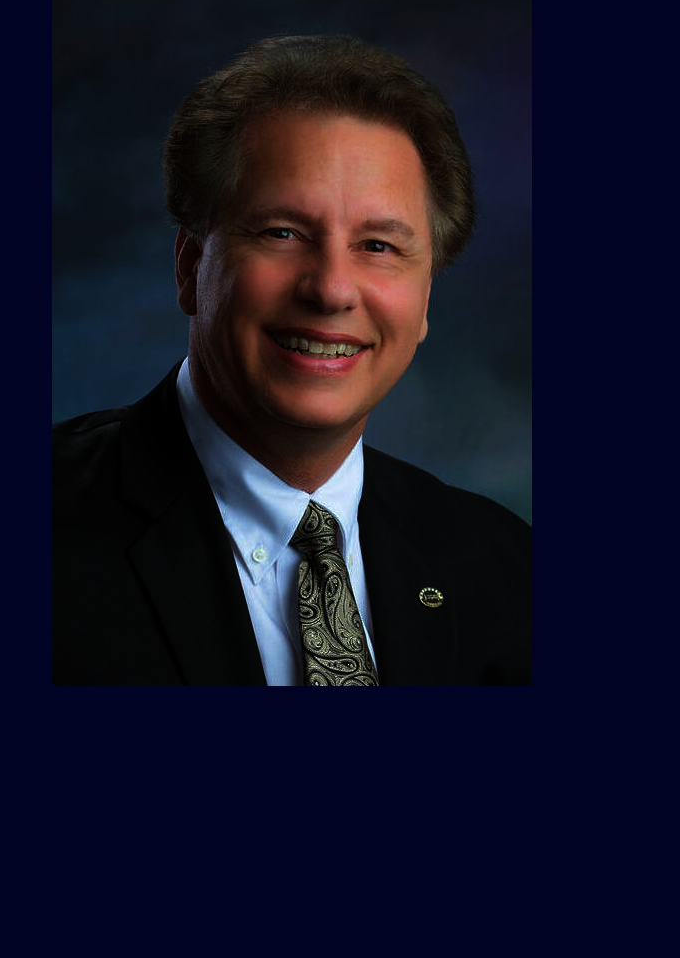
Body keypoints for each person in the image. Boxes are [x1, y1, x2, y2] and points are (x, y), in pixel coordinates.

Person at [53, 34, 531, 685]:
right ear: (191, 266)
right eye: (282, 233)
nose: (331, 289)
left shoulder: (507, 571)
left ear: (425, 300)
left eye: (379, 246)